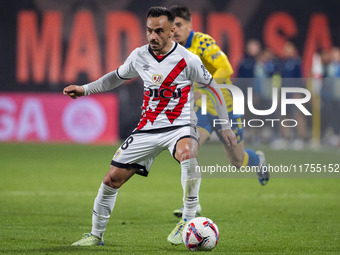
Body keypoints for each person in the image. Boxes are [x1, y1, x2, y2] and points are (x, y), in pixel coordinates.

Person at [63, 6, 236, 247]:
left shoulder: (188, 59)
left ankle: (187, 220)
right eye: (149, 31)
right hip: (147, 129)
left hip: (180, 125)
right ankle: (95, 235)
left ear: (172, 30)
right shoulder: (139, 56)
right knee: (111, 179)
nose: (152, 36)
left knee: (187, 153)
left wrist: (225, 125)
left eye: (159, 31)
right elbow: (115, 77)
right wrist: (85, 89)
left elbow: (214, 88)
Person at [170, 6, 269, 218]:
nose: (175, 30)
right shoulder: (174, 49)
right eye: (172, 26)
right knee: (187, 152)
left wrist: (203, 86)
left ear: (189, 25)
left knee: (237, 161)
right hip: (202, 111)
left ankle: (258, 159)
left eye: (178, 25)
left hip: (227, 110)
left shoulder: (203, 42)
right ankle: (192, 205)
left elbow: (225, 68)